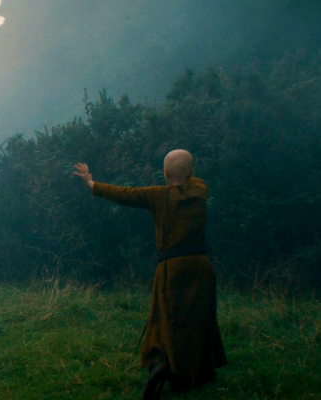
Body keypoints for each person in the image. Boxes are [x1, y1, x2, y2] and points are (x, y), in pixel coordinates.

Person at [73, 150, 226, 399]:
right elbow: (191, 178)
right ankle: (200, 373)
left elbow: (125, 194)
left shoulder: (158, 195)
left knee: (166, 319)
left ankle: (163, 365)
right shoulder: (200, 191)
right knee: (200, 317)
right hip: (201, 266)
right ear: (192, 173)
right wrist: (187, 172)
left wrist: (92, 183)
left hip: (172, 268)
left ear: (165, 173)